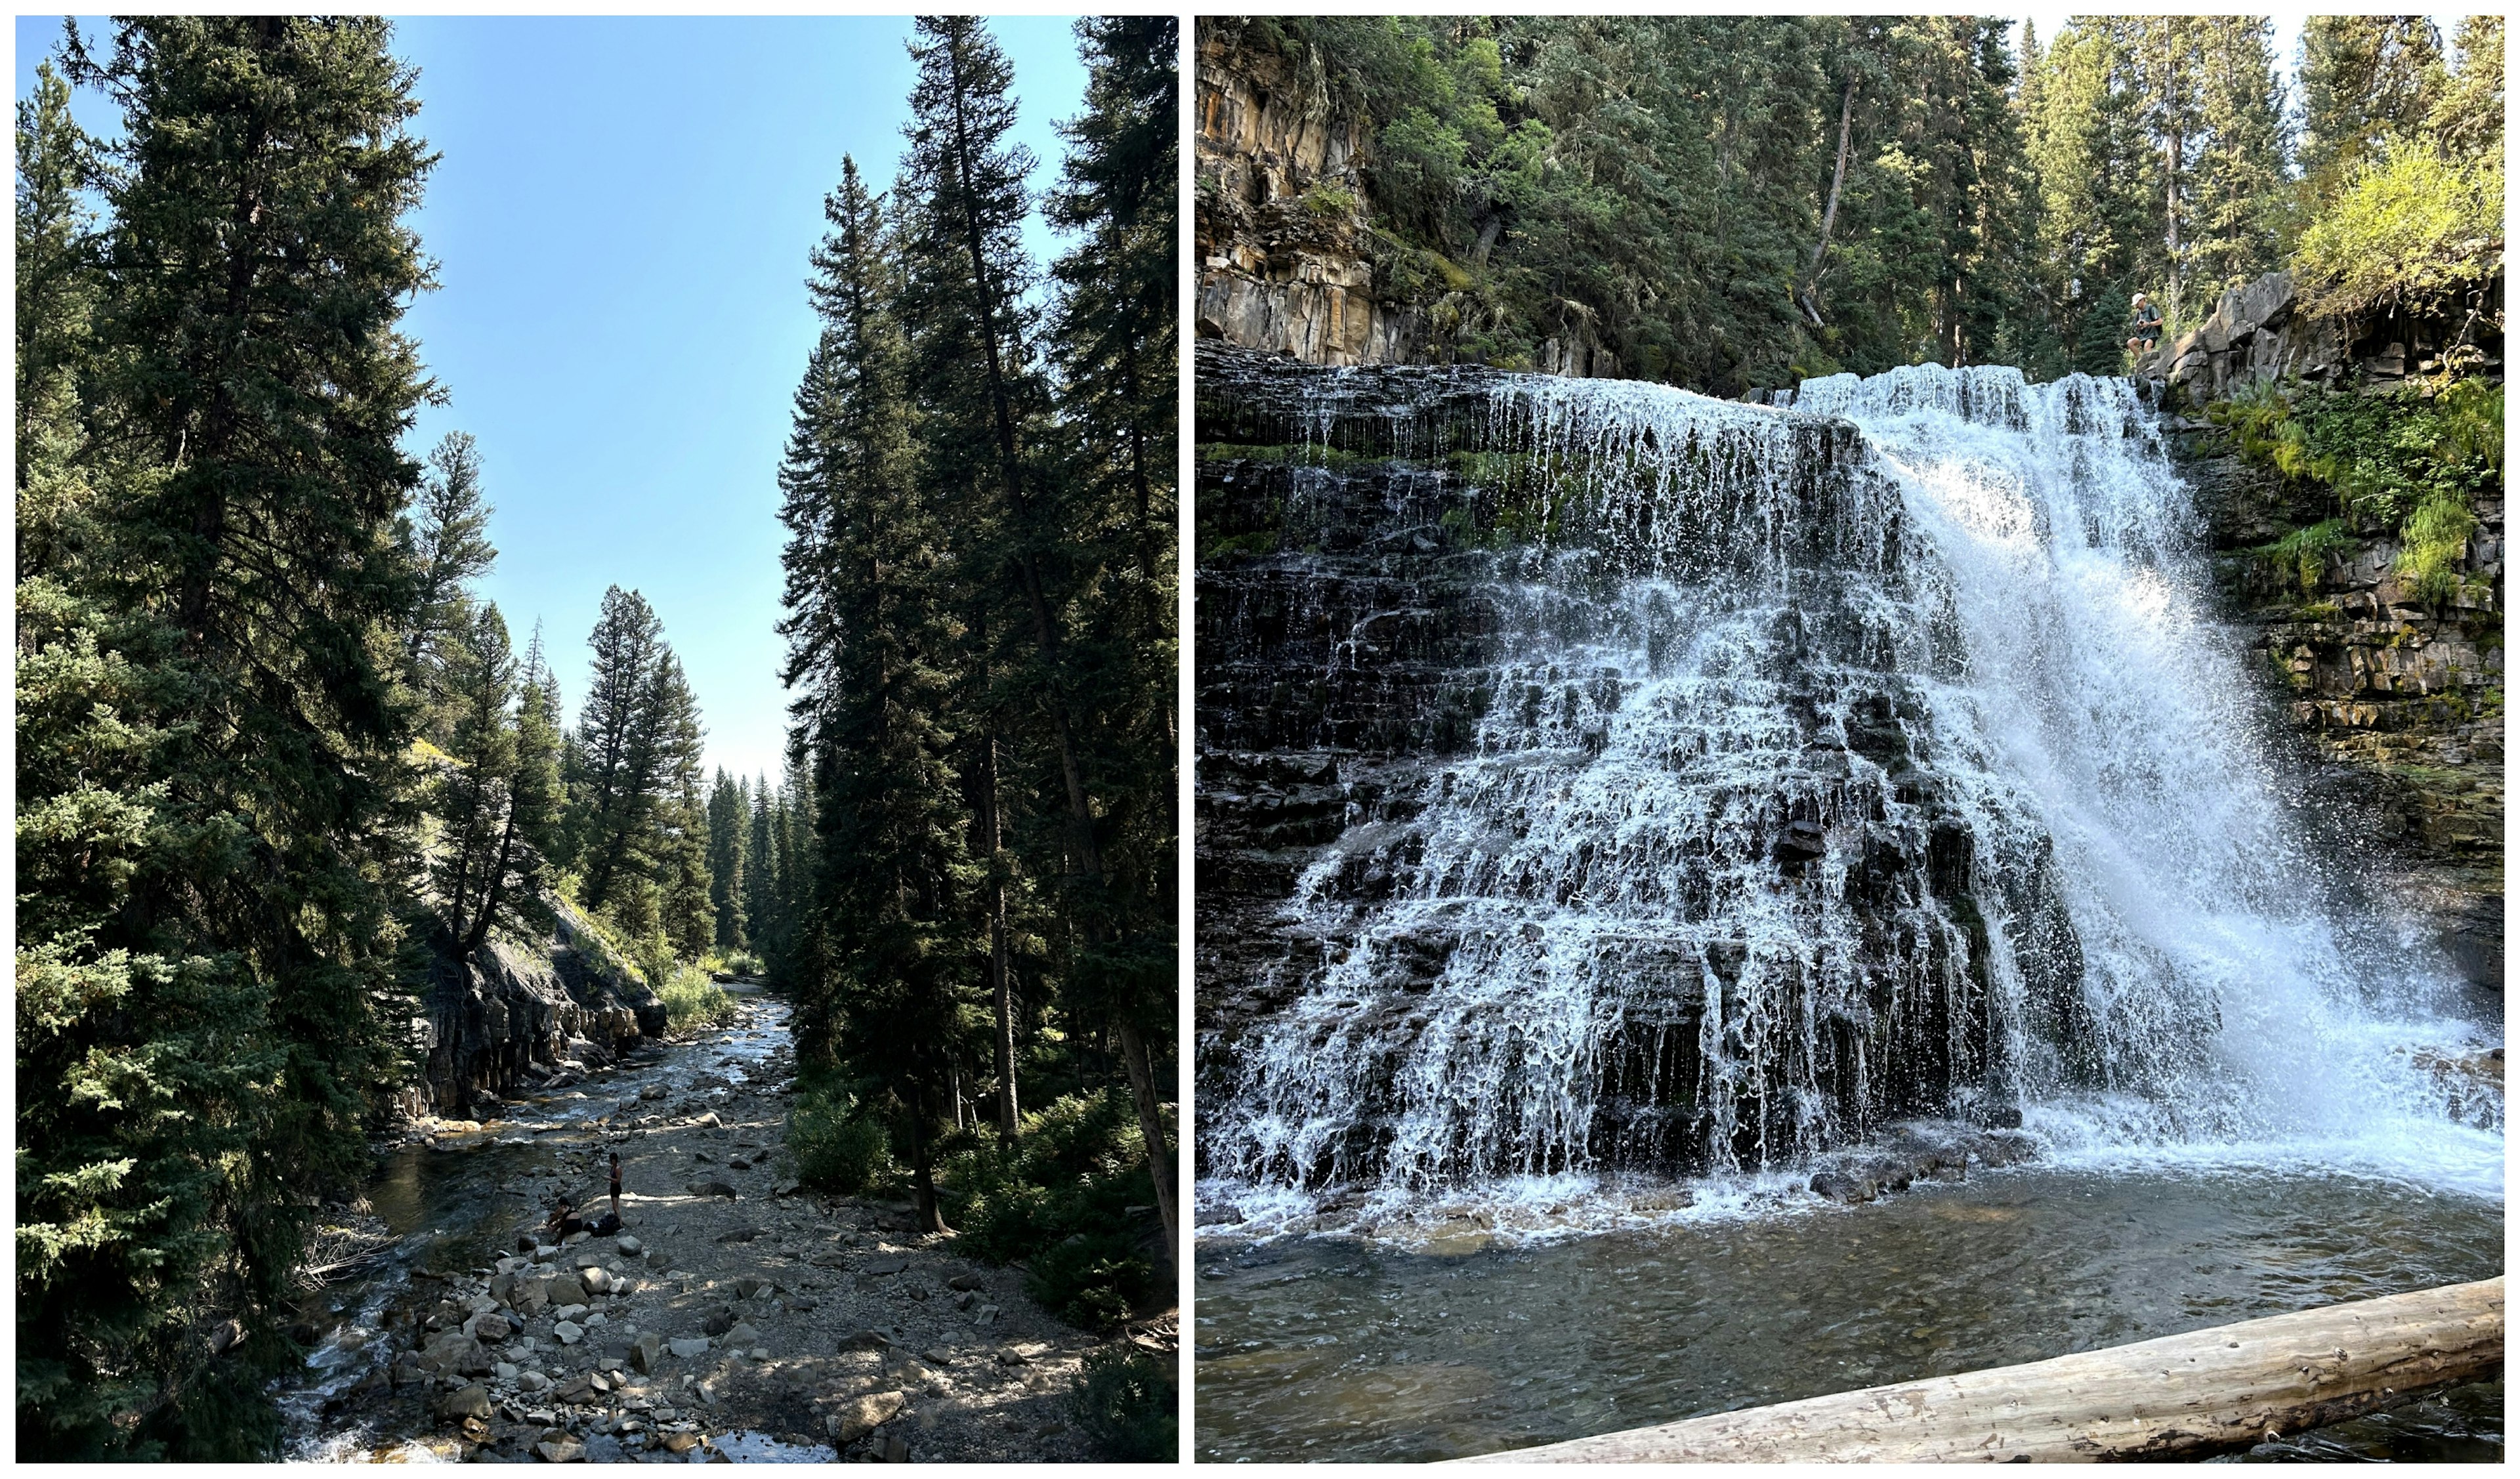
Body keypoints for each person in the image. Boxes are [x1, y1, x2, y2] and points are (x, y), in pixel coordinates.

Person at [2127, 292, 2164, 356]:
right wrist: (2139, 326)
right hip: (2143, 336)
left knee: (2147, 346)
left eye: (2137, 304)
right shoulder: (2138, 314)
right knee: (2130, 343)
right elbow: (2137, 330)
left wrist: (2149, 324)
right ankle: (2141, 360)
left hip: (2153, 335)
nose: (2136, 306)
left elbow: (2160, 321)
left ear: (2142, 300)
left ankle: (2151, 363)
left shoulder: (2151, 309)